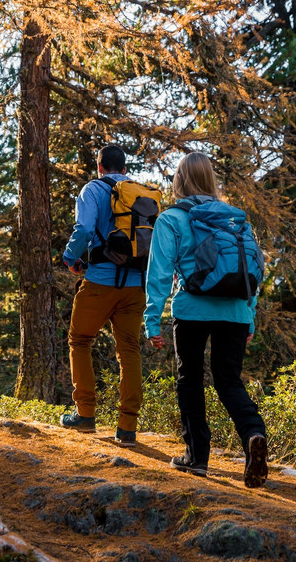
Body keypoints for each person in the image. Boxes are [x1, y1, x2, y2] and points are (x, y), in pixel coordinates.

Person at [144, 151, 269, 488]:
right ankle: (253, 434)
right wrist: (250, 319)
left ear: (180, 180)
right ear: (211, 180)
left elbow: (158, 274)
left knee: (190, 378)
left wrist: (151, 320)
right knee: (229, 381)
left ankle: (196, 457)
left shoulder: (171, 219)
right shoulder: (237, 220)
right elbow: (251, 270)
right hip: (235, 310)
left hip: (193, 308)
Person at [60, 144, 146, 448]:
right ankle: (127, 428)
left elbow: (83, 229)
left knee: (80, 340)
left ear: (99, 167)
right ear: (123, 169)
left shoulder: (92, 190)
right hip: (136, 284)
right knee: (129, 350)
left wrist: (70, 258)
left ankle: (85, 414)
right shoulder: (138, 193)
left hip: (99, 281)